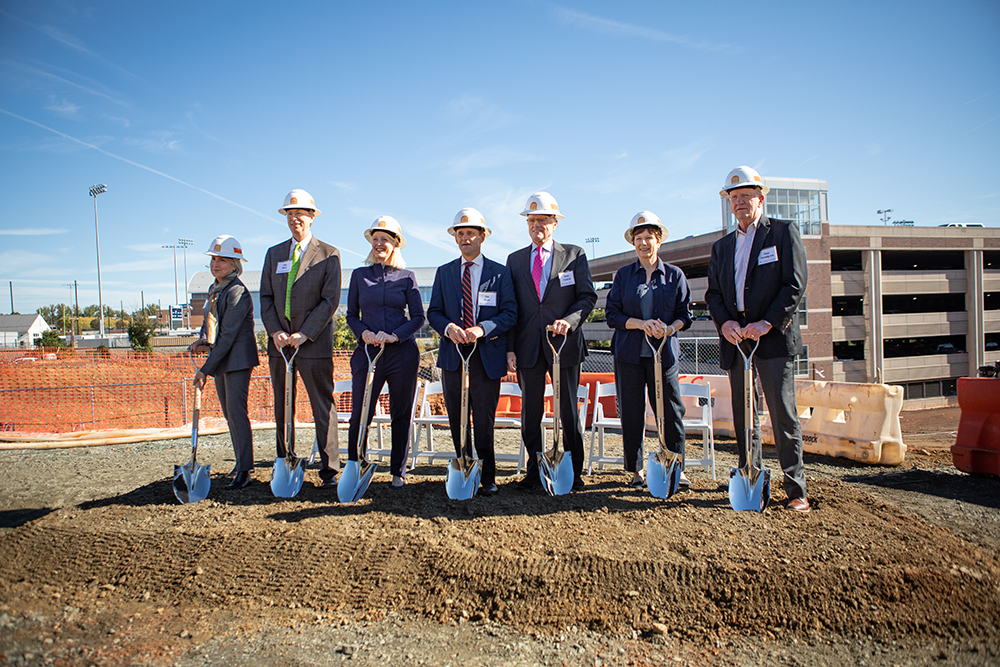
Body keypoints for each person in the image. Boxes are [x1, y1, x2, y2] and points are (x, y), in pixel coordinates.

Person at [705, 166, 810, 513]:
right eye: (734, 198)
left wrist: (768, 322)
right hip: (738, 342)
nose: (739, 203)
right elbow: (714, 294)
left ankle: (795, 487)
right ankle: (750, 474)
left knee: (782, 412)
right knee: (743, 414)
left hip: (772, 338)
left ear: (760, 198)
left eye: (746, 196)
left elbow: (794, 284)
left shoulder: (782, 232)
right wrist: (725, 324)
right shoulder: (722, 247)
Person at [506, 192, 597, 491]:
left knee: (568, 410)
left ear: (555, 223)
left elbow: (587, 297)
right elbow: (511, 307)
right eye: (532, 220)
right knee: (530, 412)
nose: (537, 225)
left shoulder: (575, 255)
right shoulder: (515, 260)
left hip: (564, 346)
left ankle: (573, 471)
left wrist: (568, 322)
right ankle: (535, 471)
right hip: (528, 346)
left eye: (543, 220)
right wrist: (509, 347)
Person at [427, 208, 517, 496]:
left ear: (482, 236)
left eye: (471, 233)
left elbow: (511, 313)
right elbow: (434, 313)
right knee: (457, 416)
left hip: (486, 356)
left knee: (484, 419)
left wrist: (483, 328)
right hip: (454, 357)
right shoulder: (443, 273)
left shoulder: (500, 273)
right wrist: (448, 327)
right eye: (460, 233)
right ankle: (464, 468)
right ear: (455, 238)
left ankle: (488, 476)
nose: (465, 238)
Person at [260, 189, 342, 489]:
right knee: (283, 405)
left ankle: (330, 469)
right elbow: (266, 298)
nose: (295, 218)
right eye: (290, 213)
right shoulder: (274, 254)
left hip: (313, 344)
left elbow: (329, 300)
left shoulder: (329, 254)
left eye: (301, 213)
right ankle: (286, 462)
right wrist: (276, 332)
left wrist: (304, 333)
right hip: (280, 345)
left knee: (323, 406)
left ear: (312, 217)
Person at [606, 212, 693, 489]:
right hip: (629, 356)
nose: (644, 243)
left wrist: (668, 329)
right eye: (639, 239)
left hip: (663, 356)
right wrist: (641, 324)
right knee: (632, 412)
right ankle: (635, 470)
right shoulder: (623, 276)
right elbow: (612, 315)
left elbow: (685, 316)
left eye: (649, 238)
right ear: (633, 243)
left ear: (659, 241)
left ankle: (675, 465)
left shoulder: (675, 275)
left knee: (670, 411)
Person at [346, 216, 425, 490]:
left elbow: (418, 317)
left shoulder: (407, 277)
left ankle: (398, 472)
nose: (380, 243)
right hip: (367, 354)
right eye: (376, 239)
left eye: (386, 239)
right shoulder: (359, 275)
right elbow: (350, 315)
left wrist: (396, 335)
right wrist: (363, 332)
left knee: (400, 414)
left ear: (395, 244)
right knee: (360, 413)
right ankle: (356, 465)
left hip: (401, 354)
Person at [189, 235, 259, 490]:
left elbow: (228, 334)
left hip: (237, 360)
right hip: (222, 359)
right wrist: (202, 341)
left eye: (222, 260)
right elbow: (212, 324)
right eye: (213, 259)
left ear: (235, 264)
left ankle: (245, 469)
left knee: (237, 414)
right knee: (230, 415)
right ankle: (241, 463)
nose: (216, 264)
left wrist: (206, 369)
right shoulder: (216, 289)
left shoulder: (237, 291)